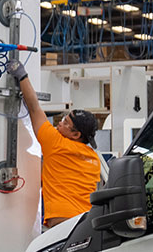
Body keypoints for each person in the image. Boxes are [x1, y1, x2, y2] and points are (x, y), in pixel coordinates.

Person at [8, 61, 100, 228]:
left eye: (65, 123)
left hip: (63, 222)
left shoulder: (56, 143)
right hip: (86, 222)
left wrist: (21, 75)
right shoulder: (94, 159)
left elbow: (34, 108)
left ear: (76, 135)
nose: (59, 124)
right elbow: (63, 175)